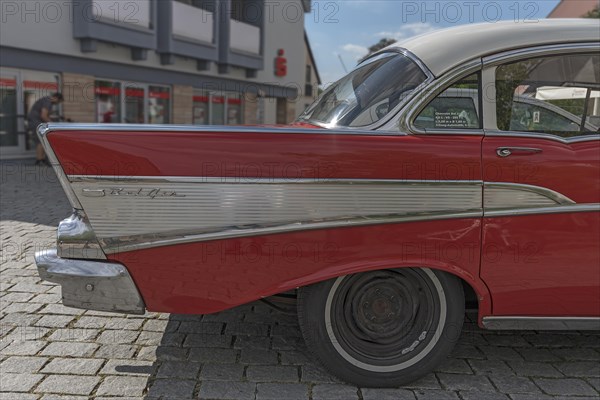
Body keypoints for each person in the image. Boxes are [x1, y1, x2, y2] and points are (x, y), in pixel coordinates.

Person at [28, 92, 64, 166]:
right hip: (36, 123)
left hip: (36, 122)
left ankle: (41, 159)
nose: (57, 104)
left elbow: (46, 115)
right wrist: (53, 124)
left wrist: (56, 118)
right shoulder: (47, 101)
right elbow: (44, 116)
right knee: (41, 140)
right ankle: (40, 160)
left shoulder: (45, 100)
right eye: (58, 102)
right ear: (56, 98)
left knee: (42, 141)